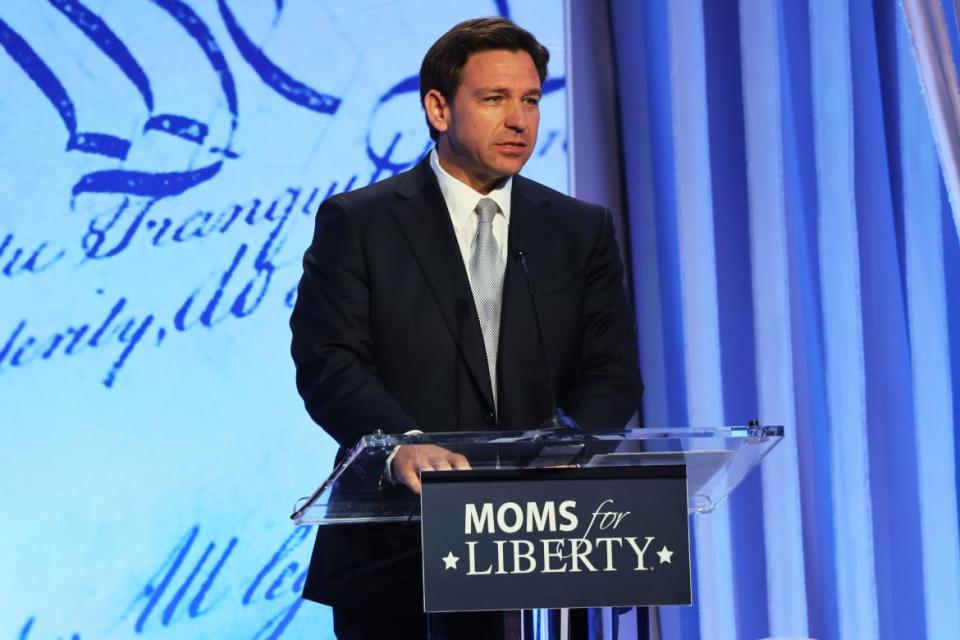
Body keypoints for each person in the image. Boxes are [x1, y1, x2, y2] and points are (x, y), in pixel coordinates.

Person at [290, 16, 642, 639]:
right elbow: (330, 361)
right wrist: (400, 444)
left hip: (546, 544)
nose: (519, 120)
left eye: (530, 100)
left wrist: (574, 444)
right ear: (438, 108)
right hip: (397, 550)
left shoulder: (578, 230)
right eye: (494, 99)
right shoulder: (360, 223)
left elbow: (610, 371)